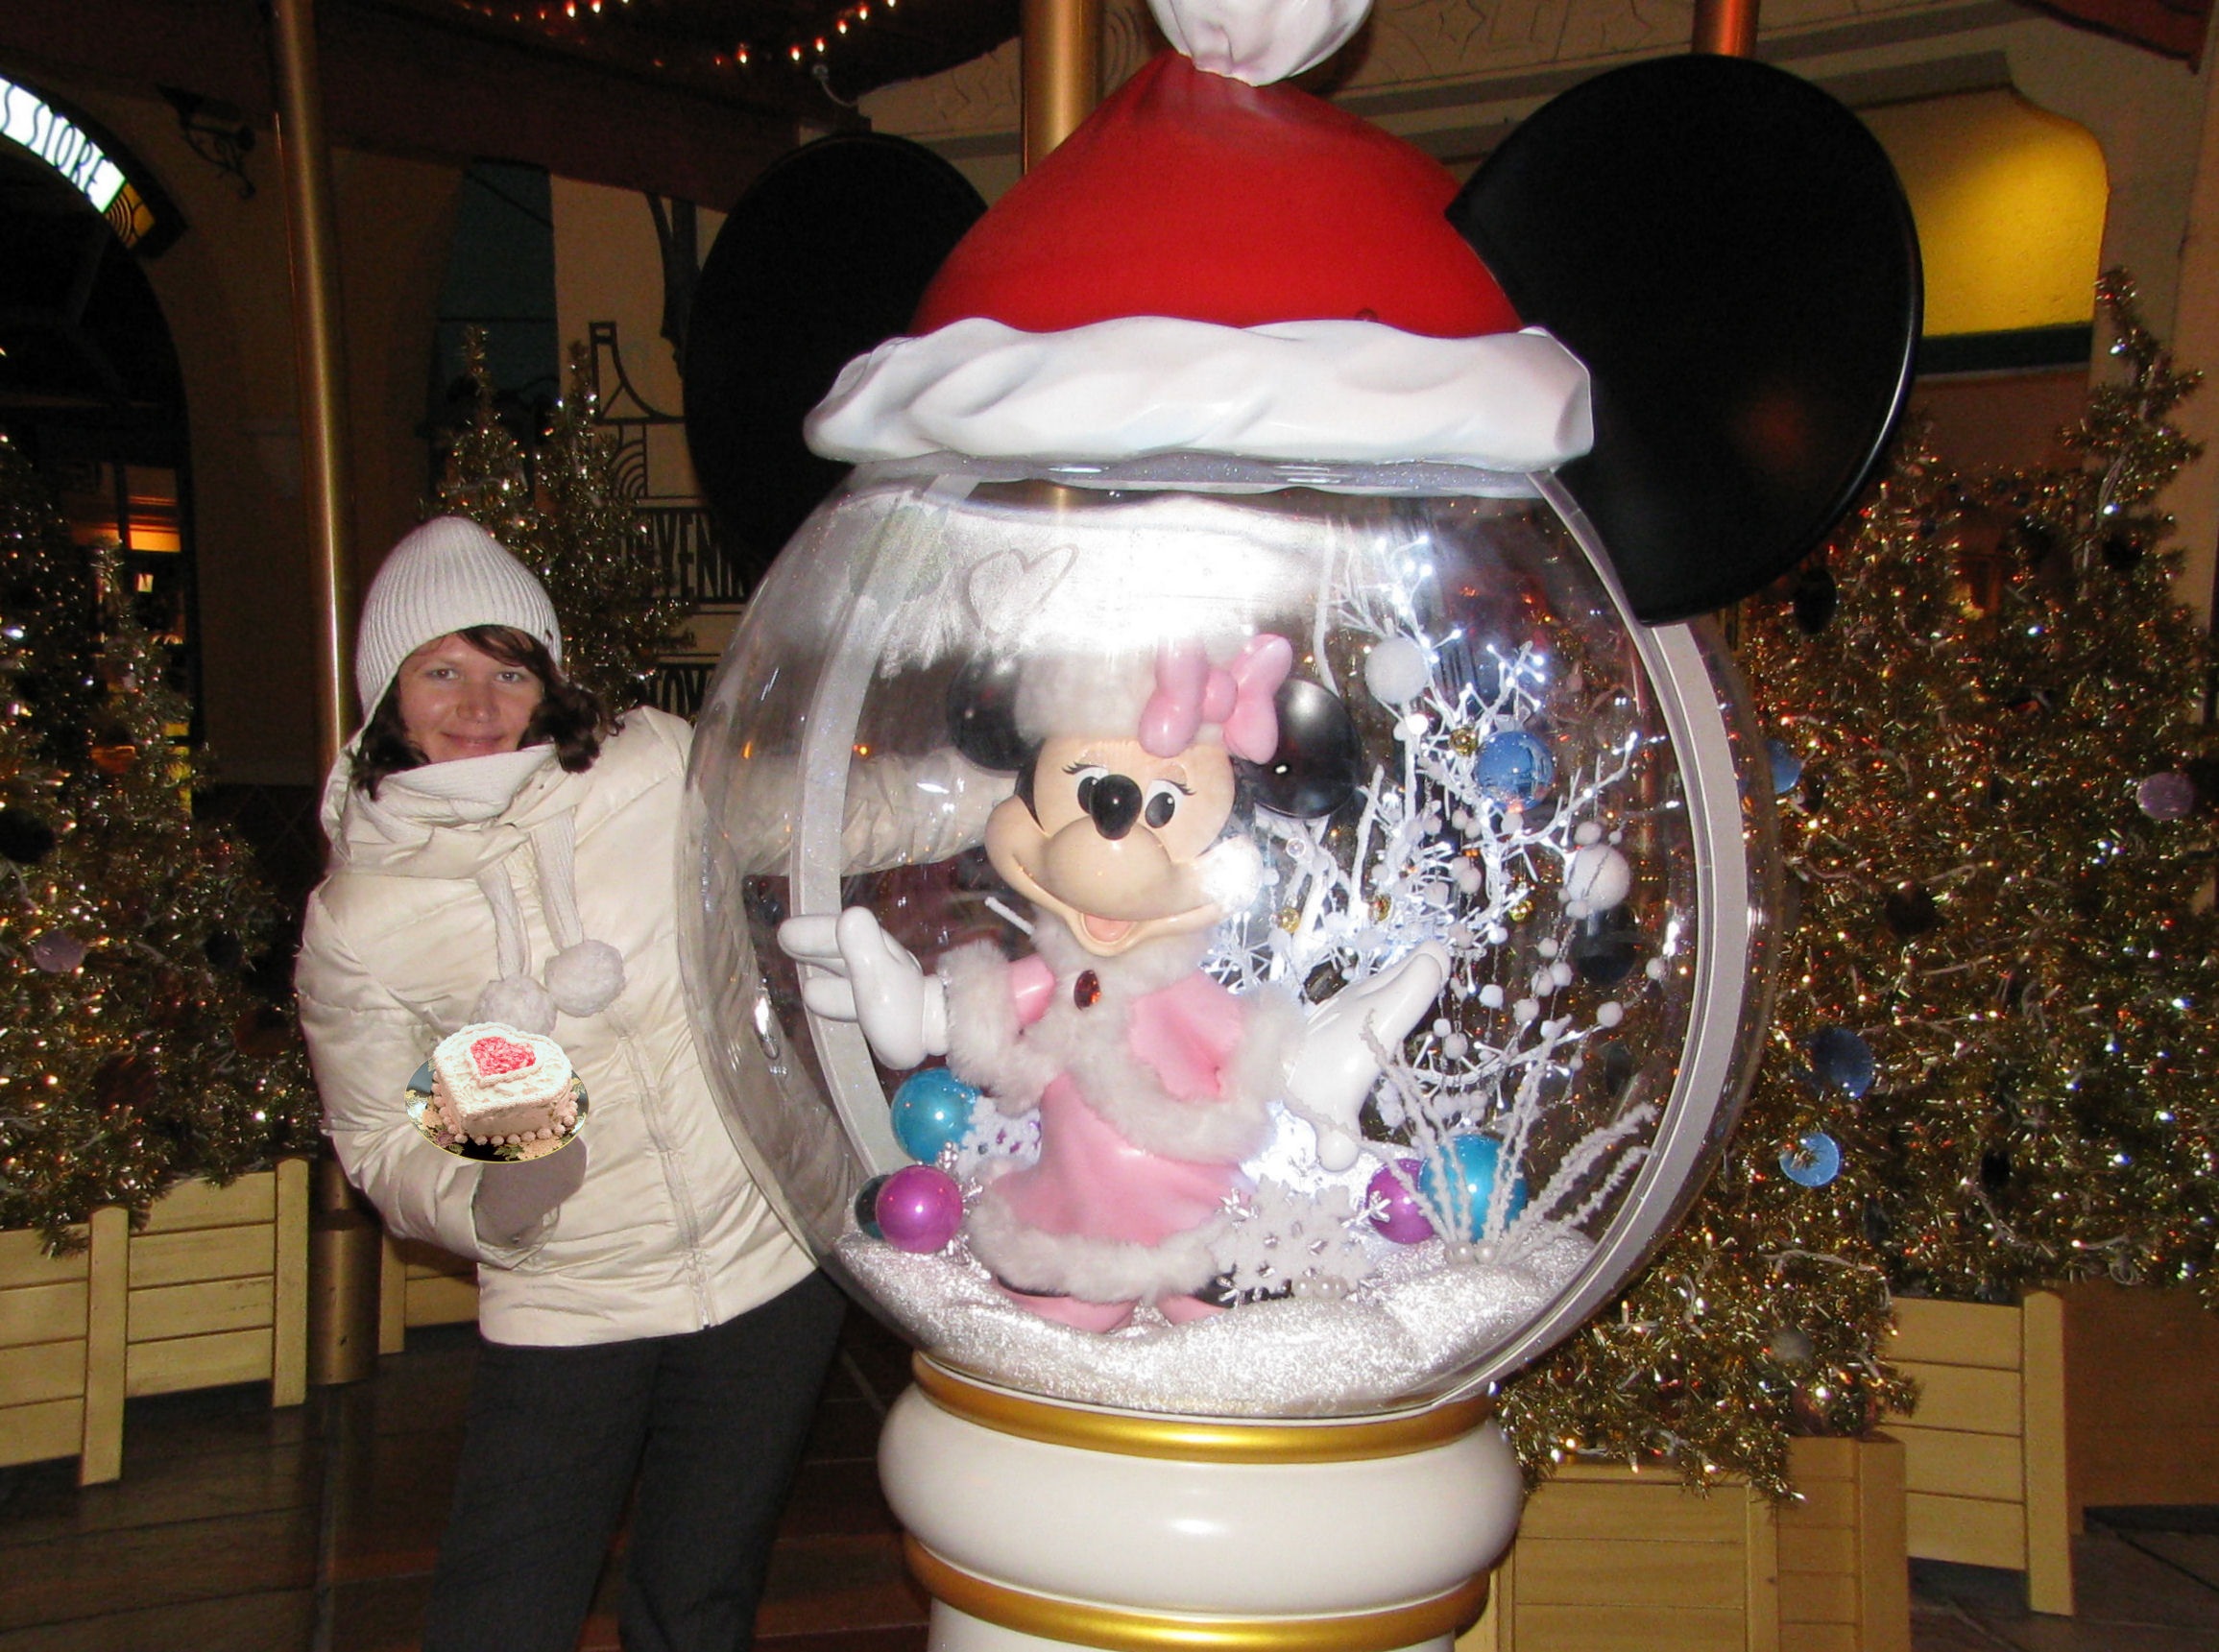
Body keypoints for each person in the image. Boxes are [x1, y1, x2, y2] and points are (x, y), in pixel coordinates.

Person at [296, 515, 842, 1652]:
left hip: (765, 1261)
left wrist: (1004, 779)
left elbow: (822, 818)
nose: (477, 701)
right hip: (568, 1299)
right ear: (386, 694)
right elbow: (379, 1139)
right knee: (501, 1618)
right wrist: (488, 1199)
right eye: (440, 669)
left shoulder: (650, 766)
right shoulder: (358, 916)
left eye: (509, 668)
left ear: (548, 680)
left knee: (699, 1606)